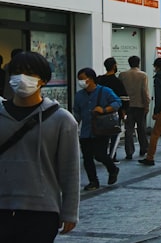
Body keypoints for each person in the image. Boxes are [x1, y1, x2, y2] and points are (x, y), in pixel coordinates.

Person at [0, 51, 80, 241]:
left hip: (42, 211)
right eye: (17, 72)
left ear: (43, 80)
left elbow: (70, 170)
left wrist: (69, 212)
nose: (21, 78)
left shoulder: (62, 120)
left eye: (29, 73)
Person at [73, 67, 121, 189]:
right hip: (85, 131)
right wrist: (73, 126)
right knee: (87, 158)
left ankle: (113, 169)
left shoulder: (104, 91)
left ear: (91, 79)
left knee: (100, 155)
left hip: (101, 130)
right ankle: (93, 181)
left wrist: (104, 110)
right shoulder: (79, 96)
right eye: (79, 80)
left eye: (83, 79)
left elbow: (117, 103)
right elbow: (77, 113)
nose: (81, 82)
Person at [95, 57, 129, 160]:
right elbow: (124, 98)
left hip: (99, 111)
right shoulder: (116, 81)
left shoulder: (99, 79)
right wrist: (123, 111)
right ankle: (112, 155)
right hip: (114, 112)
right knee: (114, 133)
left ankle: (101, 153)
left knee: (101, 134)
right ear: (114, 66)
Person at [118, 55, 150, 160]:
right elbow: (144, 91)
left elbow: (120, 91)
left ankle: (129, 152)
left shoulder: (122, 75)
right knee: (141, 129)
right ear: (138, 63)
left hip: (127, 106)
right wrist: (147, 104)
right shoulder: (143, 75)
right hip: (140, 105)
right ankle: (143, 148)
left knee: (129, 130)